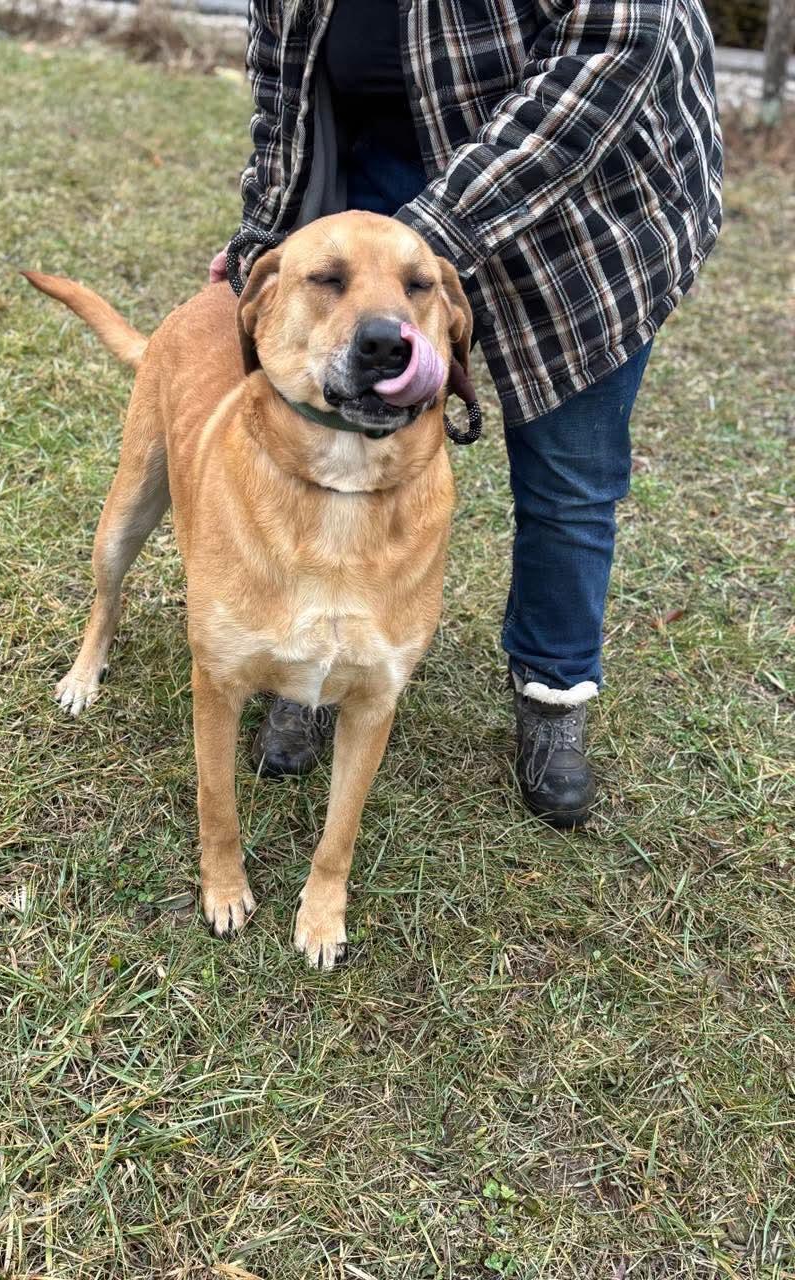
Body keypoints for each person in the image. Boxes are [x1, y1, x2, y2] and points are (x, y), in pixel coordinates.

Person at [212, 0, 722, 827]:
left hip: (584, 219)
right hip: (392, 176)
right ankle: (309, 666)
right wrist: (265, 239)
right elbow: (283, 93)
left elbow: (615, 46)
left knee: (568, 480)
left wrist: (417, 254)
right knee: (328, 447)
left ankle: (552, 697)